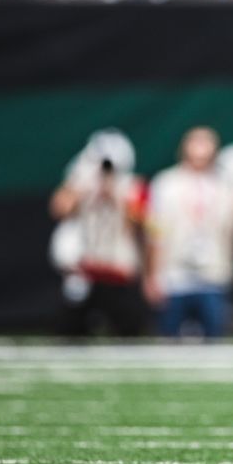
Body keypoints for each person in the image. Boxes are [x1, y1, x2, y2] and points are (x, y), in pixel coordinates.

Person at [145, 127, 233, 337]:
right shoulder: (166, 184)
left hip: (213, 275)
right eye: (196, 142)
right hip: (173, 276)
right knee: (169, 343)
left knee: (215, 344)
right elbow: (154, 234)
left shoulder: (226, 187)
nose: (200, 149)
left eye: (206, 142)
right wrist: (152, 276)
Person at [49, 129, 149, 336]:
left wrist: (113, 193)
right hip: (85, 268)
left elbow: (137, 223)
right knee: (69, 330)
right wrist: (80, 184)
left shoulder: (132, 186)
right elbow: (59, 209)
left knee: (129, 330)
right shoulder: (83, 183)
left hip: (118, 269)